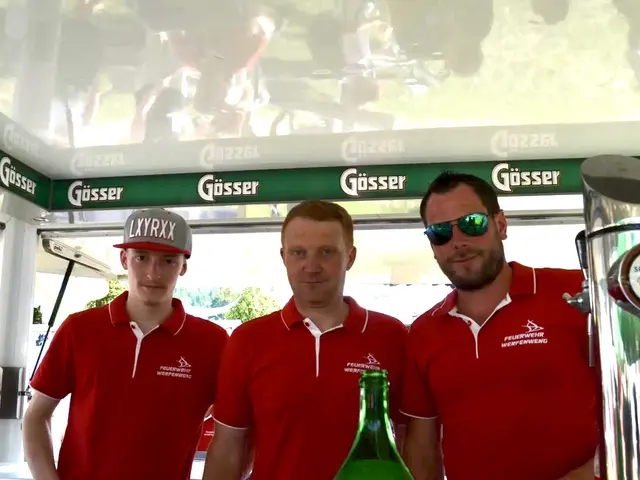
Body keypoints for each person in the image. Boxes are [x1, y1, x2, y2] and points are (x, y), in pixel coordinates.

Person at [401, 172, 601, 480]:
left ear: (501, 225)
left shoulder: (576, 293)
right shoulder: (424, 332)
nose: (458, 242)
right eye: (440, 232)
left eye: (472, 223)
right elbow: (422, 451)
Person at [202, 200, 408, 480]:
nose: (311, 267)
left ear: (350, 257)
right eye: (299, 253)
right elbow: (228, 448)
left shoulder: (391, 336)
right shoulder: (248, 341)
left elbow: (411, 440)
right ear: (284, 256)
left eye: (326, 252)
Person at [23, 208, 229, 480]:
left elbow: (235, 431)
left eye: (168, 261)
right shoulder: (79, 329)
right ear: (124, 259)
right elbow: (36, 416)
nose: (153, 273)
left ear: (183, 266)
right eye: (141, 258)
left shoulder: (212, 342)